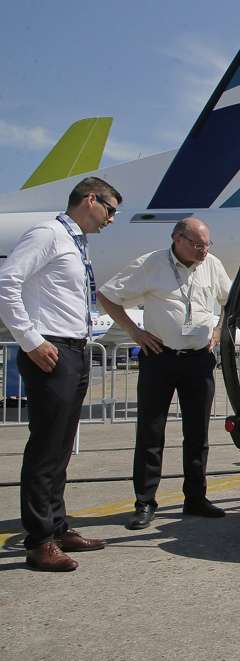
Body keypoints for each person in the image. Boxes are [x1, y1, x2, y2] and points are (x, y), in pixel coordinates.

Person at [0, 177, 120, 571]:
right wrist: (31, 340)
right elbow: (7, 282)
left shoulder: (75, 243)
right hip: (51, 351)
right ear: (90, 200)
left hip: (75, 351)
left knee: (62, 447)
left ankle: (58, 524)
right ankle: (39, 541)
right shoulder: (48, 234)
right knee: (46, 449)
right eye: (110, 209)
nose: (111, 219)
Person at [97, 218, 232, 529]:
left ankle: (195, 498)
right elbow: (107, 296)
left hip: (198, 361)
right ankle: (144, 502)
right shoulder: (152, 264)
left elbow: (230, 300)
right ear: (177, 238)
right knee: (151, 432)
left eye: (207, 244)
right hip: (159, 358)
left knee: (197, 433)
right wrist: (135, 332)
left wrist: (218, 329)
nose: (203, 250)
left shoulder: (212, 265)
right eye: (197, 245)